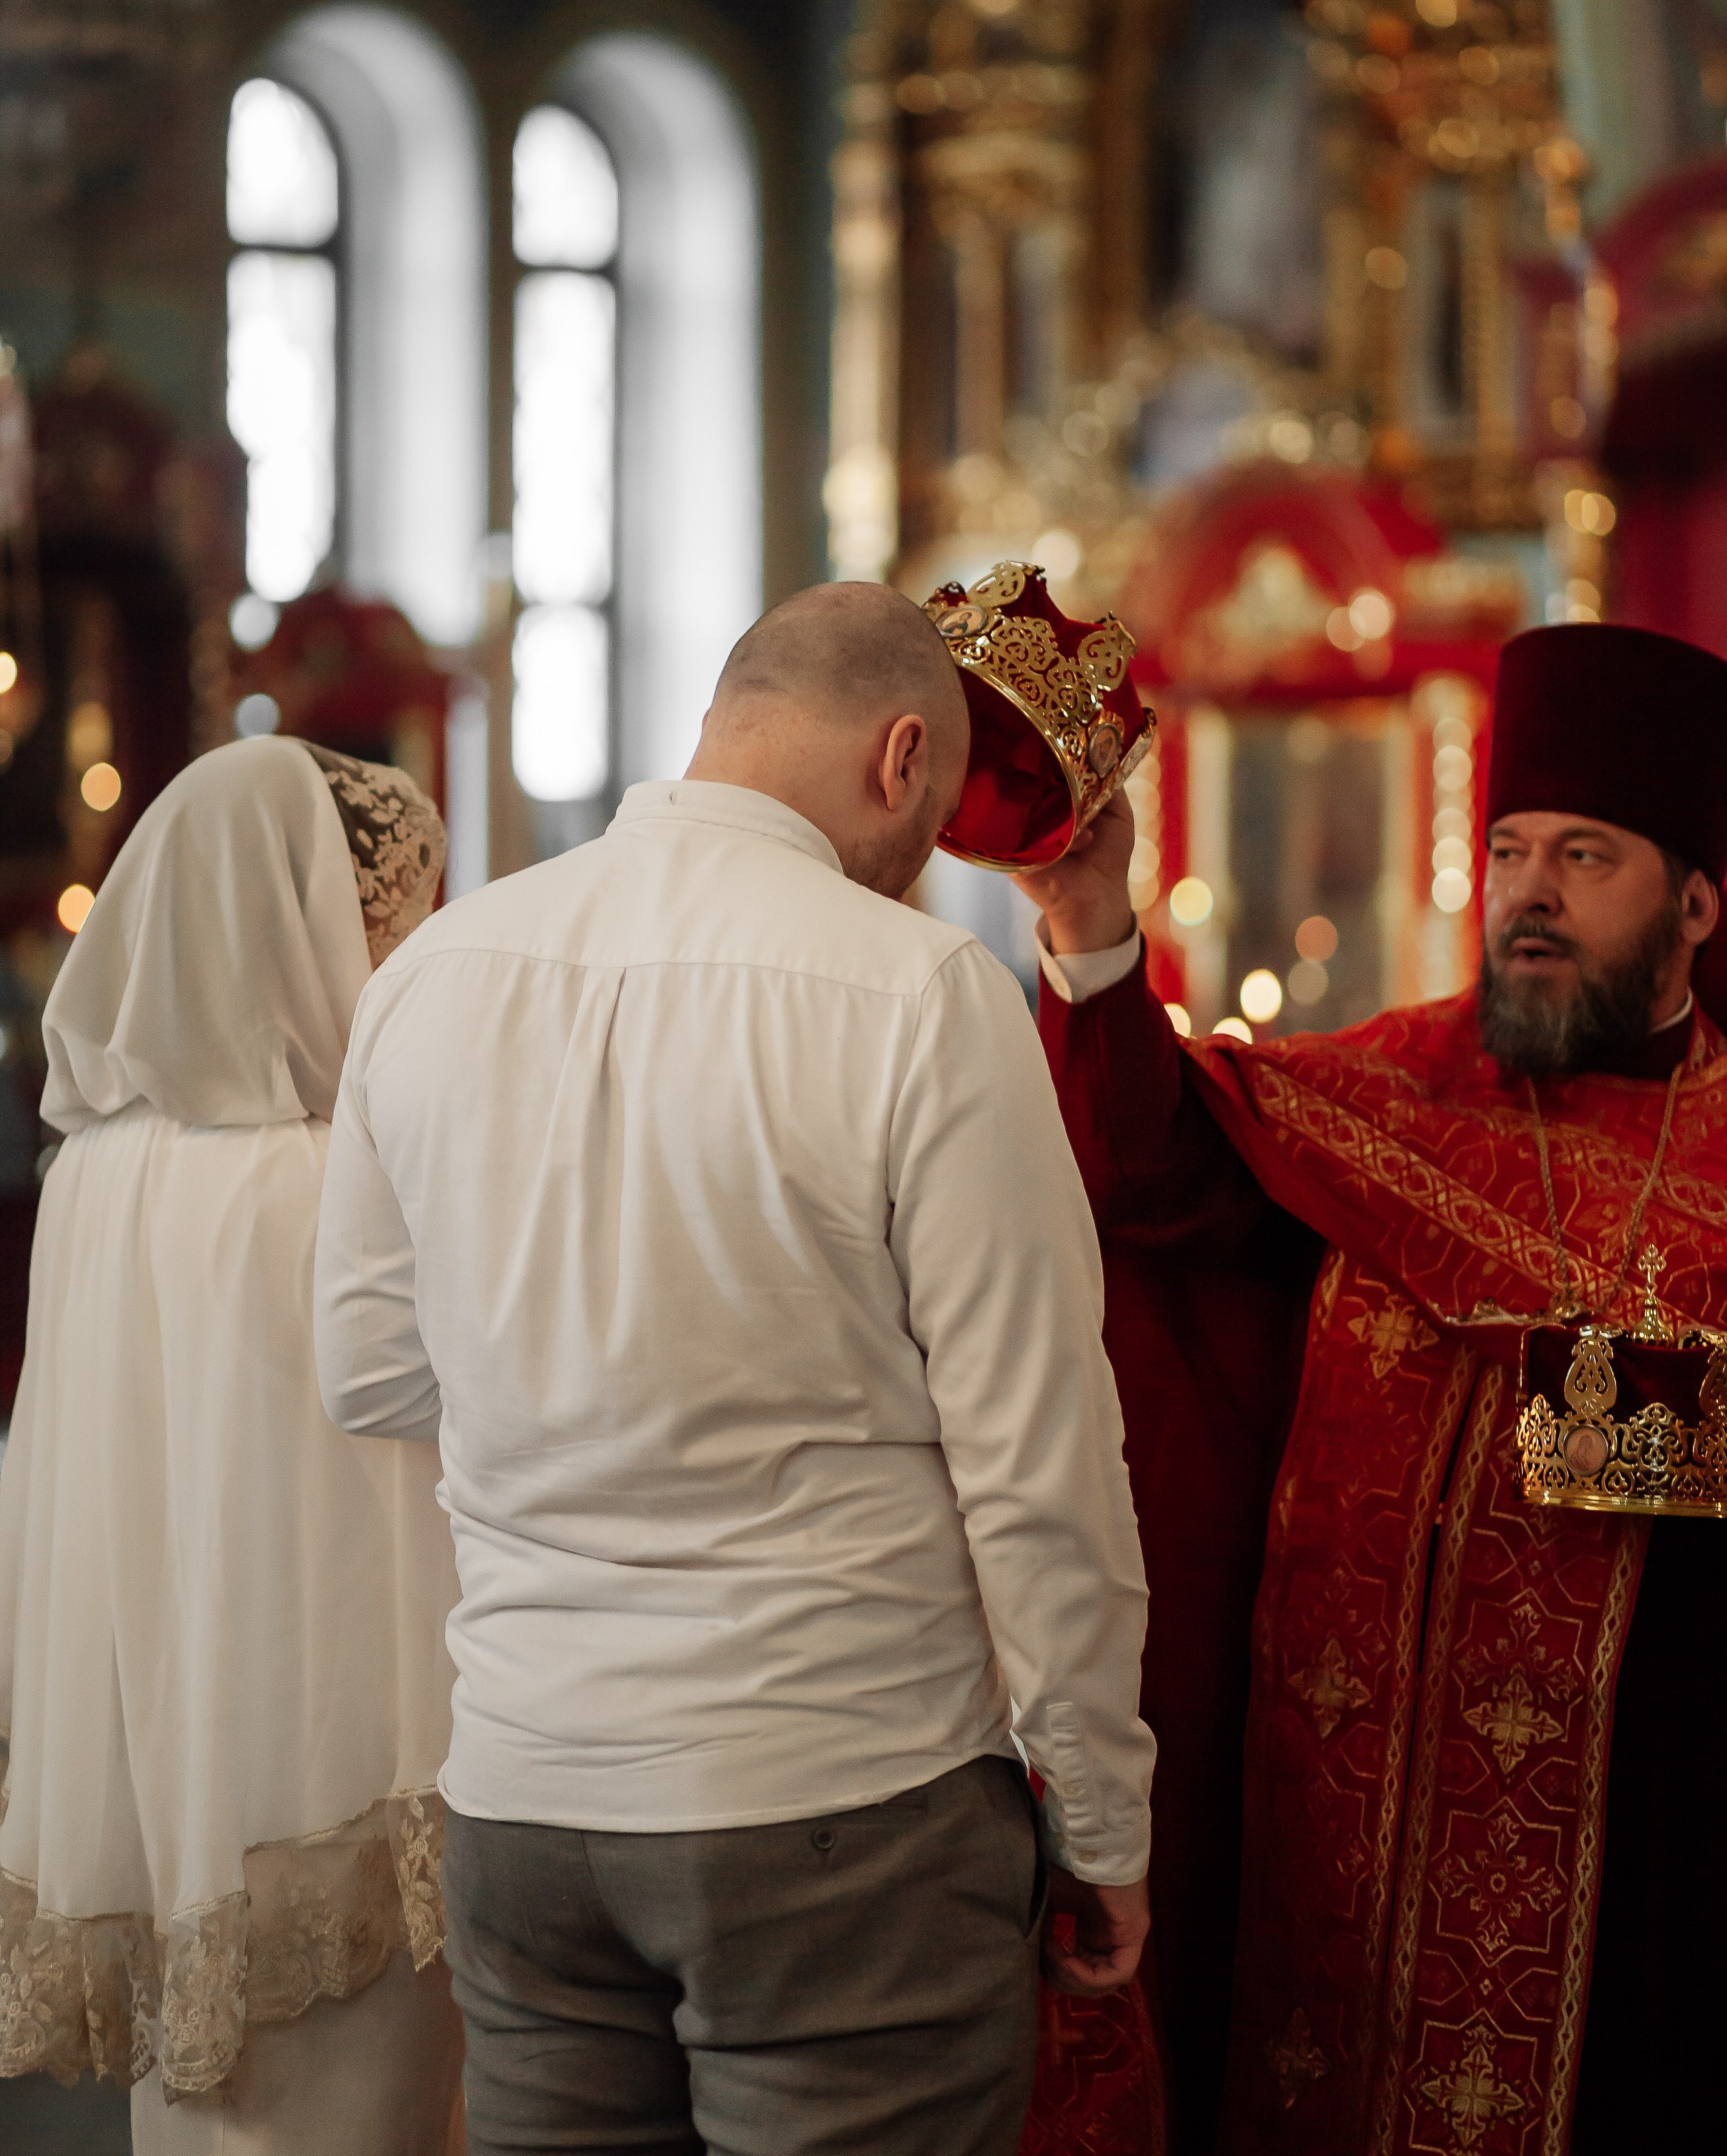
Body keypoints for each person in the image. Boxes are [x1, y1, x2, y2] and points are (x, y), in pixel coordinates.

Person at [313, 580, 1156, 2156]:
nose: (920, 862)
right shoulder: (922, 995)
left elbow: (366, 1363)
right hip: (840, 1796)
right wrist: (1102, 1814)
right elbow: (1037, 1459)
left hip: (528, 1795)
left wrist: (580, 1373)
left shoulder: (436, 971)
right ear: (904, 755)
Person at [1016, 619, 1727, 2156]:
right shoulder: (1380, 1091)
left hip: (1631, 1869)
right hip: (1329, 1837)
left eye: (1586, 856)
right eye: (1517, 849)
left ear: (1695, 901)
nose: (1530, 891)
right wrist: (1091, 917)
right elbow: (1157, 1174)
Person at [0, 736, 463, 2155]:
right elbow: (419, 1450)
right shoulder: (327, 1173)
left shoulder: (91, 1166)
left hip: (171, 1740)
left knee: (204, 2117)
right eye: (396, 921)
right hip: (340, 1735)